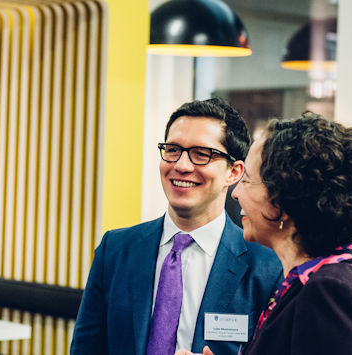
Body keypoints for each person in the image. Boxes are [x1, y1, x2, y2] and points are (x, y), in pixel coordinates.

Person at [71, 98, 283, 355]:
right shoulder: (115, 250)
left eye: (201, 154)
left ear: (234, 172)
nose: (181, 166)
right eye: (172, 150)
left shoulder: (267, 266)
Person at [183, 114, 352, 355]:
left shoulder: (330, 292)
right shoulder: (313, 283)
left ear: (281, 201)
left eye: (247, 181)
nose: (235, 193)